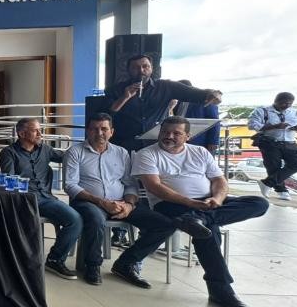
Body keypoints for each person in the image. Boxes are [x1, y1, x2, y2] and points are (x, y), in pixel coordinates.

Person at [130, 116, 269, 307]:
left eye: (176, 133)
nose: (169, 136)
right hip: (170, 204)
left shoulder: (201, 152)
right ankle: (221, 290)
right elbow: (156, 188)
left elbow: (219, 181)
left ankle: (200, 219)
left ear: (187, 136)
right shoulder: (147, 154)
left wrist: (218, 200)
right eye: (165, 132)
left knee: (259, 203)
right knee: (208, 232)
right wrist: (192, 203)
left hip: (208, 202)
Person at [63, 113, 212, 285]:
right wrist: (101, 202)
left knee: (165, 224)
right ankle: (92, 265)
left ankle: (126, 263)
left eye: (104, 129)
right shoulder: (74, 152)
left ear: (112, 131)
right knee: (96, 219)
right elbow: (71, 185)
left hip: (121, 202)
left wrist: (129, 204)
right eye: (94, 129)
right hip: (88, 202)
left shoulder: (121, 153)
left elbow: (130, 184)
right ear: (88, 131)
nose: (99, 133)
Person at [0, 117, 82, 280]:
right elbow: (9, 182)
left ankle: (55, 259)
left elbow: (68, 157)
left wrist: (86, 150)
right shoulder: (9, 153)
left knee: (75, 219)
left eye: (40, 129)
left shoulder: (45, 149)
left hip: (46, 199)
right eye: (35, 130)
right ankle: (23, 262)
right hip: (23, 200)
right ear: (22, 133)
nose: (40, 133)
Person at [105, 54, 222, 152]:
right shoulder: (115, 89)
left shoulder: (165, 86)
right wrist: (124, 97)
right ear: (128, 70)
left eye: (145, 66)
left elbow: (195, 93)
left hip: (156, 145)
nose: (141, 71)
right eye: (135, 68)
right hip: (124, 144)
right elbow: (107, 114)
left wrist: (214, 93)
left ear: (151, 68)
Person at [248, 92, 297, 201]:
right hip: (270, 142)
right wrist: (275, 126)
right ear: (276, 101)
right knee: (273, 167)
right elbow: (252, 125)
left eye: (290, 103)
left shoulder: (295, 113)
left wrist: (296, 128)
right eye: (284, 103)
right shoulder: (263, 111)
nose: (287, 106)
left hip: (290, 142)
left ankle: (267, 183)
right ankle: (281, 191)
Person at [167, 80, 220, 153]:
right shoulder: (176, 101)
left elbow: (215, 122)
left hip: (200, 141)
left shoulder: (206, 100)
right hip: (180, 141)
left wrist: (213, 141)